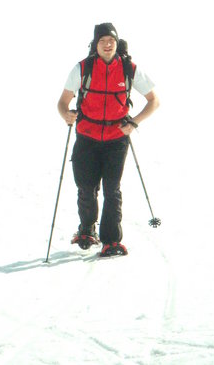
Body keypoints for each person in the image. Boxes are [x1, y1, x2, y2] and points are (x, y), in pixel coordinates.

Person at [57, 23, 159, 257]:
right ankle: (86, 229)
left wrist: (134, 123)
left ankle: (111, 240)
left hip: (116, 139)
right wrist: (66, 114)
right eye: (102, 40)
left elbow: (154, 100)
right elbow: (62, 102)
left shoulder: (128, 68)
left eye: (111, 40)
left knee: (112, 189)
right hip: (86, 137)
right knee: (86, 187)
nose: (107, 44)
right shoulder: (82, 68)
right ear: (96, 44)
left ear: (116, 42)